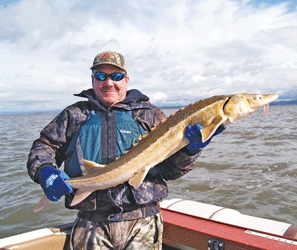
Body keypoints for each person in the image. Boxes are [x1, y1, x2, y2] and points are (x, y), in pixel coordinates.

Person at [27, 51, 225, 250]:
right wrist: (45, 171)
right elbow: (44, 146)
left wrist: (189, 151)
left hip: (143, 222)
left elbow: (170, 171)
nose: (109, 82)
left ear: (126, 79)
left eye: (116, 76)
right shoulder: (75, 114)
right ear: (93, 79)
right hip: (91, 223)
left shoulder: (149, 114)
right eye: (101, 76)